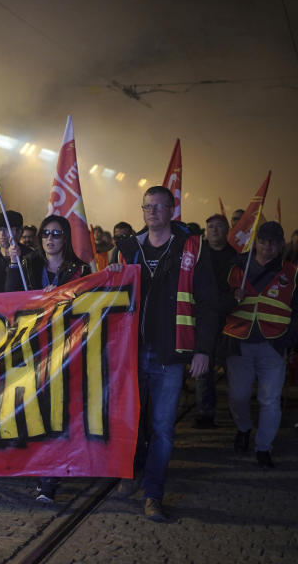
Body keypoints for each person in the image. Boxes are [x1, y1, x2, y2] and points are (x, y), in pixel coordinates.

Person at [110, 185, 217, 522]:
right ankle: (133, 471)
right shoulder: (127, 250)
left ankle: (153, 493)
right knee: (132, 422)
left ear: (173, 210)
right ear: (142, 212)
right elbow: (111, 300)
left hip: (171, 356)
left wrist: (203, 350)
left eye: (160, 206)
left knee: (163, 428)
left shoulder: (192, 249)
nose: (153, 211)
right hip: (131, 354)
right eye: (148, 206)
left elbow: (211, 305)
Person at [5, 215, 90, 503]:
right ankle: (35, 467)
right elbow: (9, 297)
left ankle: (49, 479)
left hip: (67, 351)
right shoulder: (29, 264)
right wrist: (14, 263)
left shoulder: (80, 269)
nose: (50, 239)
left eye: (56, 233)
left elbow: (89, 305)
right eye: (45, 234)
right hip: (31, 350)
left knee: (58, 414)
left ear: (65, 238)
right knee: (31, 412)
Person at [221, 221, 297, 468]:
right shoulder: (235, 267)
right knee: (238, 396)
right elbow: (217, 302)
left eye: (273, 242)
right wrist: (231, 298)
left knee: (270, 400)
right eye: (263, 242)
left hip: (274, 346)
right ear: (256, 242)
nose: (268, 247)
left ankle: (264, 446)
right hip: (239, 342)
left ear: (281, 245)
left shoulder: (292, 273)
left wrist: (288, 340)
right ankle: (243, 428)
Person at [193, 214, 236, 428]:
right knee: (203, 367)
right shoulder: (198, 255)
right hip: (202, 319)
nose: (215, 230)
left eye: (219, 226)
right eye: (211, 227)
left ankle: (234, 410)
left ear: (227, 230)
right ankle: (205, 413)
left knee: (232, 368)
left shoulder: (236, 258)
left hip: (229, 320)